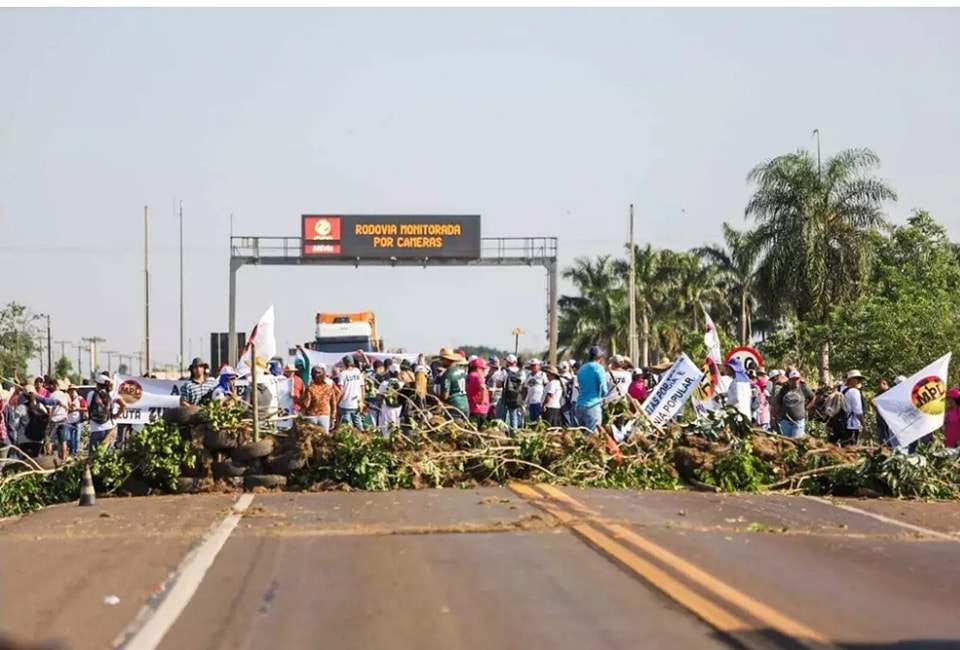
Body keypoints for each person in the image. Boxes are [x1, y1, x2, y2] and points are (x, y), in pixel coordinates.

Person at [575, 346, 609, 434]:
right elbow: (604, 389)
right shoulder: (598, 368)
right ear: (600, 357)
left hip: (579, 405)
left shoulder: (581, 368)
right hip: (592, 406)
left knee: (582, 436)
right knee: (593, 436)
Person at [88, 373, 125, 452]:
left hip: (96, 429)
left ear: (97, 383)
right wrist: (116, 415)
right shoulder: (112, 394)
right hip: (110, 428)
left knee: (94, 456)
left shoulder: (91, 394)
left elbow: (89, 409)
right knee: (107, 456)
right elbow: (124, 405)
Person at [775, 370, 815, 439]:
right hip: (785, 421)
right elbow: (779, 402)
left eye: (797, 379)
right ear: (789, 380)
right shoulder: (784, 389)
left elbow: (813, 397)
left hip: (798, 421)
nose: (795, 381)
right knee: (786, 442)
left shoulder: (803, 388)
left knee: (796, 441)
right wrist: (776, 414)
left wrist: (806, 407)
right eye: (793, 379)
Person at [300, 365, 339, 433]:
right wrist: (333, 418)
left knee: (311, 438)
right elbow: (333, 404)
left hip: (311, 416)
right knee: (324, 440)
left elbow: (306, 404)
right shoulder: (328, 388)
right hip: (325, 416)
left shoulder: (310, 388)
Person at [437, 348, 469, 420]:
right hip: (465, 404)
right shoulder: (461, 370)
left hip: (454, 406)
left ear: (446, 359)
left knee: (452, 429)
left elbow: (445, 396)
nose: (441, 362)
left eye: (441, 359)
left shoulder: (447, 374)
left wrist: (436, 397)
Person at [838, 370, 866, 447]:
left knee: (841, 448)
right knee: (851, 450)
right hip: (851, 425)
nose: (860, 382)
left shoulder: (839, 388)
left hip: (838, 423)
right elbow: (858, 412)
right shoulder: (854, 392)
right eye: (858, 379)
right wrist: (864, 426)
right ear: (851, 379)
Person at [337, 355, 365, 429]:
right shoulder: (357, 372)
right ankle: (363, 437)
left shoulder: (343, 374)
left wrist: (336, 401)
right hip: (356, 403)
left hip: (345, 403)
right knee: (358, 423)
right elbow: (362, 387)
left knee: (346, 426)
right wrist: (362, 400)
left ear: (344, 363)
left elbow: (341, 390)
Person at [377, 366, 404, 437]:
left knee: (386, 427)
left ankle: (386, 442)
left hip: (387, 408)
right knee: (397, 425)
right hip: (399, 409)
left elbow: (379, 396)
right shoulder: (402, 384)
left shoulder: (384, 383)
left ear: (389, 373)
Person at [466, 357, 490, 428]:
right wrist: (481, 399)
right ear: (478, 368)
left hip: (471, 407)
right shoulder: (478, 377)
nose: (483, 371)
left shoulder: (468, 376)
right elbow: (482, 387)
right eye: (482, 369)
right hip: (480, 409)